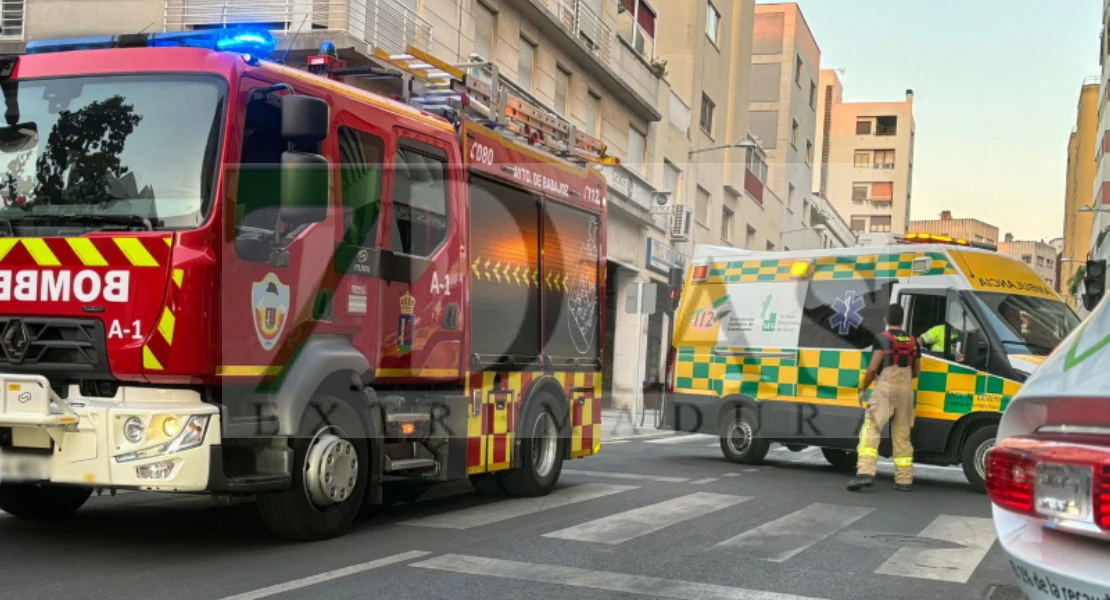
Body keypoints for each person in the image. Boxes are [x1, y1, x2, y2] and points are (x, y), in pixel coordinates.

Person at [848, 303, 921, 492]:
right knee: (902, 435)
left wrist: (863, 388)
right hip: (906, 389)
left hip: (886, 387)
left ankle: (865, 473)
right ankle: (904, 480)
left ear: (885, 320)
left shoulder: (882, 339)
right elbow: (917, 371)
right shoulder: (913, 342)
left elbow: (873, 368)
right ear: (903, 320)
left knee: (872, 428)